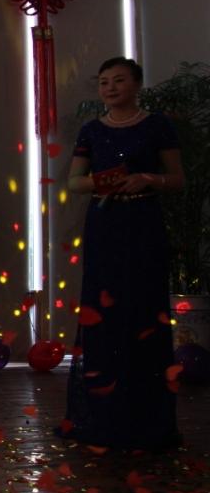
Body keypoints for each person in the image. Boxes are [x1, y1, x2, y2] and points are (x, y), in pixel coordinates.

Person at [60, 56, 185, 450]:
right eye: (103, 82)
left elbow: (178, 178)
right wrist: (104, 180)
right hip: (105, 225)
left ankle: (146, 415)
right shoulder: (92, 130)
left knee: (143, 311)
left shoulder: (157, 125)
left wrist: (147, 178)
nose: (110, 88)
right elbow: (74, 182)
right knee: (104, 314)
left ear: (136, 84)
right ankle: (104, 413)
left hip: (144, 222)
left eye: (118, 80)